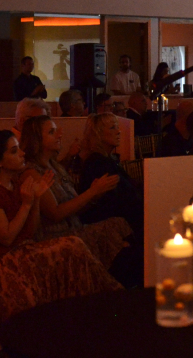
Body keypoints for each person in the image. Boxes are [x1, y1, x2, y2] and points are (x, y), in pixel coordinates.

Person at [0, 130, 121, 334]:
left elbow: (30, 232)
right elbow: (5, 238)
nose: (22, 154)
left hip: (20, 250)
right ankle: (105, 304)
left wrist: (36, 201)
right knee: (72, 246)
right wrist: (26, 204)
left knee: (74, 246)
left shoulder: (14, 184)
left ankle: (87, 316)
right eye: (14, 151)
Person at [20, 115, 140, 287]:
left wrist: (95, 196)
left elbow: (74, 206)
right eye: (52, 132)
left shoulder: (55, 166)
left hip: (74, 227)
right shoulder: (31, 172)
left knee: (120, 226)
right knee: (124, 248)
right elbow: (55, 213)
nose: (59, 135)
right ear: (37, 139)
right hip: (54, 235)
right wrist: (91, 192)